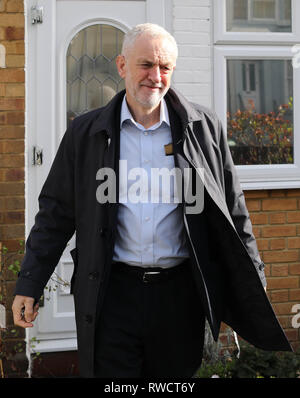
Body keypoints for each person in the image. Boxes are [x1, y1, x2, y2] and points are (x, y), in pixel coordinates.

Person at [12, 23, 292, 378]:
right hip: (111, 296)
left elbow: (234, 211)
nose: (155, 76)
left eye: (165, 67)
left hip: (180, 297)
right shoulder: (85, 133)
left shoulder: (202, 128)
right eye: (146, 64)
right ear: (122, 65)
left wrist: (254, 280)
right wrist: (29, 283)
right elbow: (55, 214)